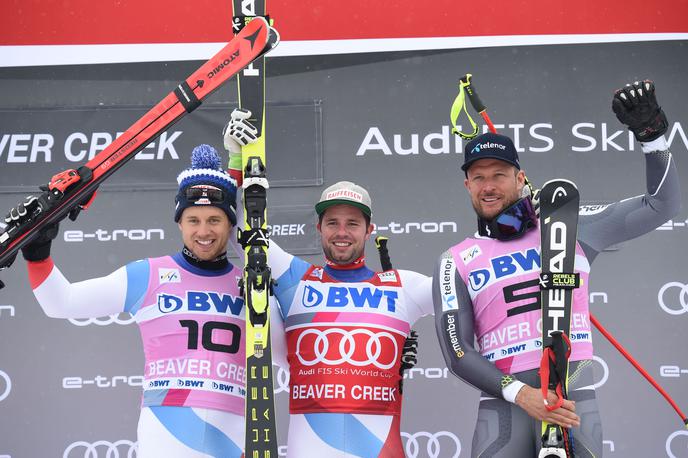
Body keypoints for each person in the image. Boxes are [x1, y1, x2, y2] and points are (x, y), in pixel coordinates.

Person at [432, 80, 680, 457]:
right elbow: (458, 351)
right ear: (467, 186)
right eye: (478, 177)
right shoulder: (455, 260)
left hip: (572, 396)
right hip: (505, 407)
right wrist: (523, 394)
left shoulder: (569, 226)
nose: (488, 186)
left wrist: (652, 139)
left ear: (519, 179)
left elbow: (660, 206)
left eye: (499, 174)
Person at [10, 145, 251, 457]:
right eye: (193, 220)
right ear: (179, 222)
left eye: (214, 220)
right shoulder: (148, 275)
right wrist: (38, 254)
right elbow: (62, 302)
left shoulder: (250, 284)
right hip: (166, 432)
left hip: (233, 431)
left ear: (231, 224)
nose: (203, 231)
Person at [225, 113, 432, 457]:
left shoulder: (402, 285)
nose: (341, 232)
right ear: (318, 229)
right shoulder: (296, 278)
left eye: (353, 223)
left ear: (369, 230)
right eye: (332, 222)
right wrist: (236, 161)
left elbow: (471, 292)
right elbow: (241, 233)